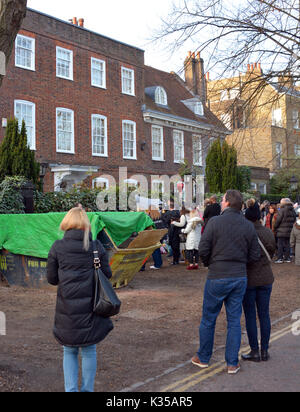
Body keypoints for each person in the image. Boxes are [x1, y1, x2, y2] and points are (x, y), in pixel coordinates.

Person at [192, 190, 261, 374]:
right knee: (234, 321)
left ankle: (203, 357)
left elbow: (203, 249)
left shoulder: (214, 222)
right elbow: (255, 255)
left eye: (222, 200)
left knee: (208, 319)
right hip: (238, 276)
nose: (221, 203)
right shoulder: (248, 226)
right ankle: (232, 363)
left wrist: (210, 264)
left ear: (228, 203)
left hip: (217, 275)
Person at [47, 207, 114, 392]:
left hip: (66, 309)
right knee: (89, 350)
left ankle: (71, 390)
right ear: (86, 224)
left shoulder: (57, 247)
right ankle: (87, 390)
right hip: (91, 308)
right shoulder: (96, 247)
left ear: (67, 223)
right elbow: (107, 274)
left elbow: (52, 279)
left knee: (69, 350)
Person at [242, 199, 276, 362]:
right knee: (264, 315)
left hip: (249, 279)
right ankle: (265, 351)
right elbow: (273, 251)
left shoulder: (244, 233)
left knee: (250, 316)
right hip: (266, 277)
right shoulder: (268, 232)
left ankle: (254, 351)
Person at [274, 198, 297, 263]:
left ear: (283, 203)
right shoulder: (292, 210)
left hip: (281, 230)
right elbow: (294, 220)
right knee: (287, 244)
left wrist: (275, 227)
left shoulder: (282, 210)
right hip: (290, 230)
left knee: (280, 244)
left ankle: (280, 258)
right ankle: (287, 258)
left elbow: (278, 220)